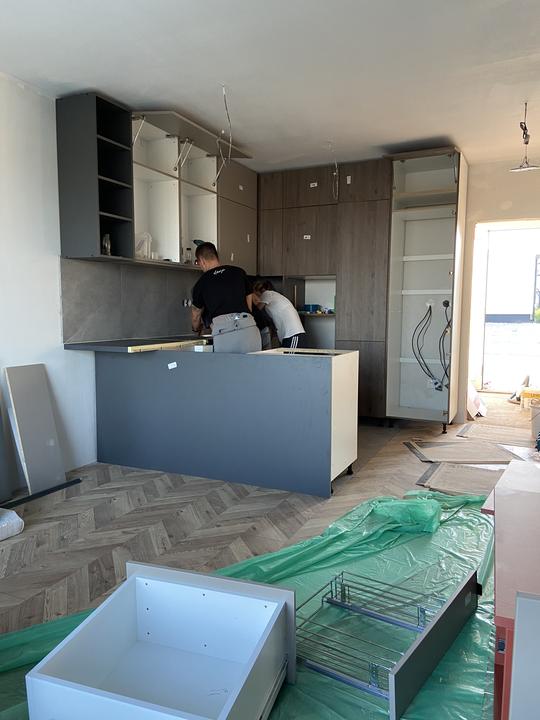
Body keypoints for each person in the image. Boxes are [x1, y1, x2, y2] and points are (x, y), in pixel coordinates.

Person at [191, 242, 261, 353]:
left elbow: (196, 314)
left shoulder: (202, 282)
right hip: (249, 327)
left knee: (227, 364)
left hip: (224, 331)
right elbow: (249, 298)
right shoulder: (239, 272)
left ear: (202, 261)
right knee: (253, 363)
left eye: (198, 263)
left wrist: (195, 329)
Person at [252, 280, 306, 349]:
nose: (256, 299)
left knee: (291, 356)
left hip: (293, 334)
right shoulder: (275, 296)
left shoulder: (267, 294)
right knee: (288, 355)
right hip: (290, 335)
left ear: (257, 291)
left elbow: (257, 310)